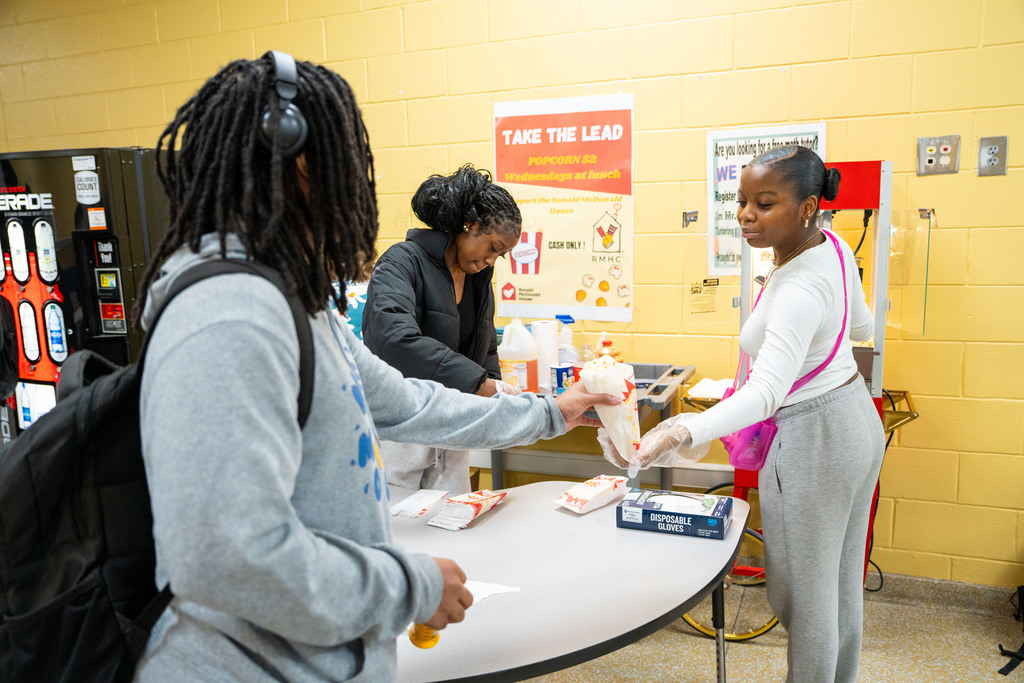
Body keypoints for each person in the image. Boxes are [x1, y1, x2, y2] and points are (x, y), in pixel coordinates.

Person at [132, 52, 618, 682]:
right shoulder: (229, 315)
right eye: (345, 166)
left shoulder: (296, 305)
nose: (356, 189)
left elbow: (415, 404)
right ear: (297, 160)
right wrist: (406, 584)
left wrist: (551, 411)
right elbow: (228, 559)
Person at [602, 145, 885, 682]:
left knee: (807, 594)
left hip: (817, 437)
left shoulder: (800, 285)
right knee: (840, 582)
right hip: (854, 421)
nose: (746, 215)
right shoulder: (831, 246)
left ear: (806, 207)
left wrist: (680, 428)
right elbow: (863, 328)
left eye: (766, 203)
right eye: (742, 201)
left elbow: (764, 395)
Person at [361, 165, 522, 493]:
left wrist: (496, 394)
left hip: (452, 426)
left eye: (501, 255)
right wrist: (479, 384)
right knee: (400, 527)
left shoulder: (478, 280)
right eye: (492, 247)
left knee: (453, 525)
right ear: (470, 226)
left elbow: (485, 345)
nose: (493, 260)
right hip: (401, 429)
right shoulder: (402, 262)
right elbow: (394, 340)